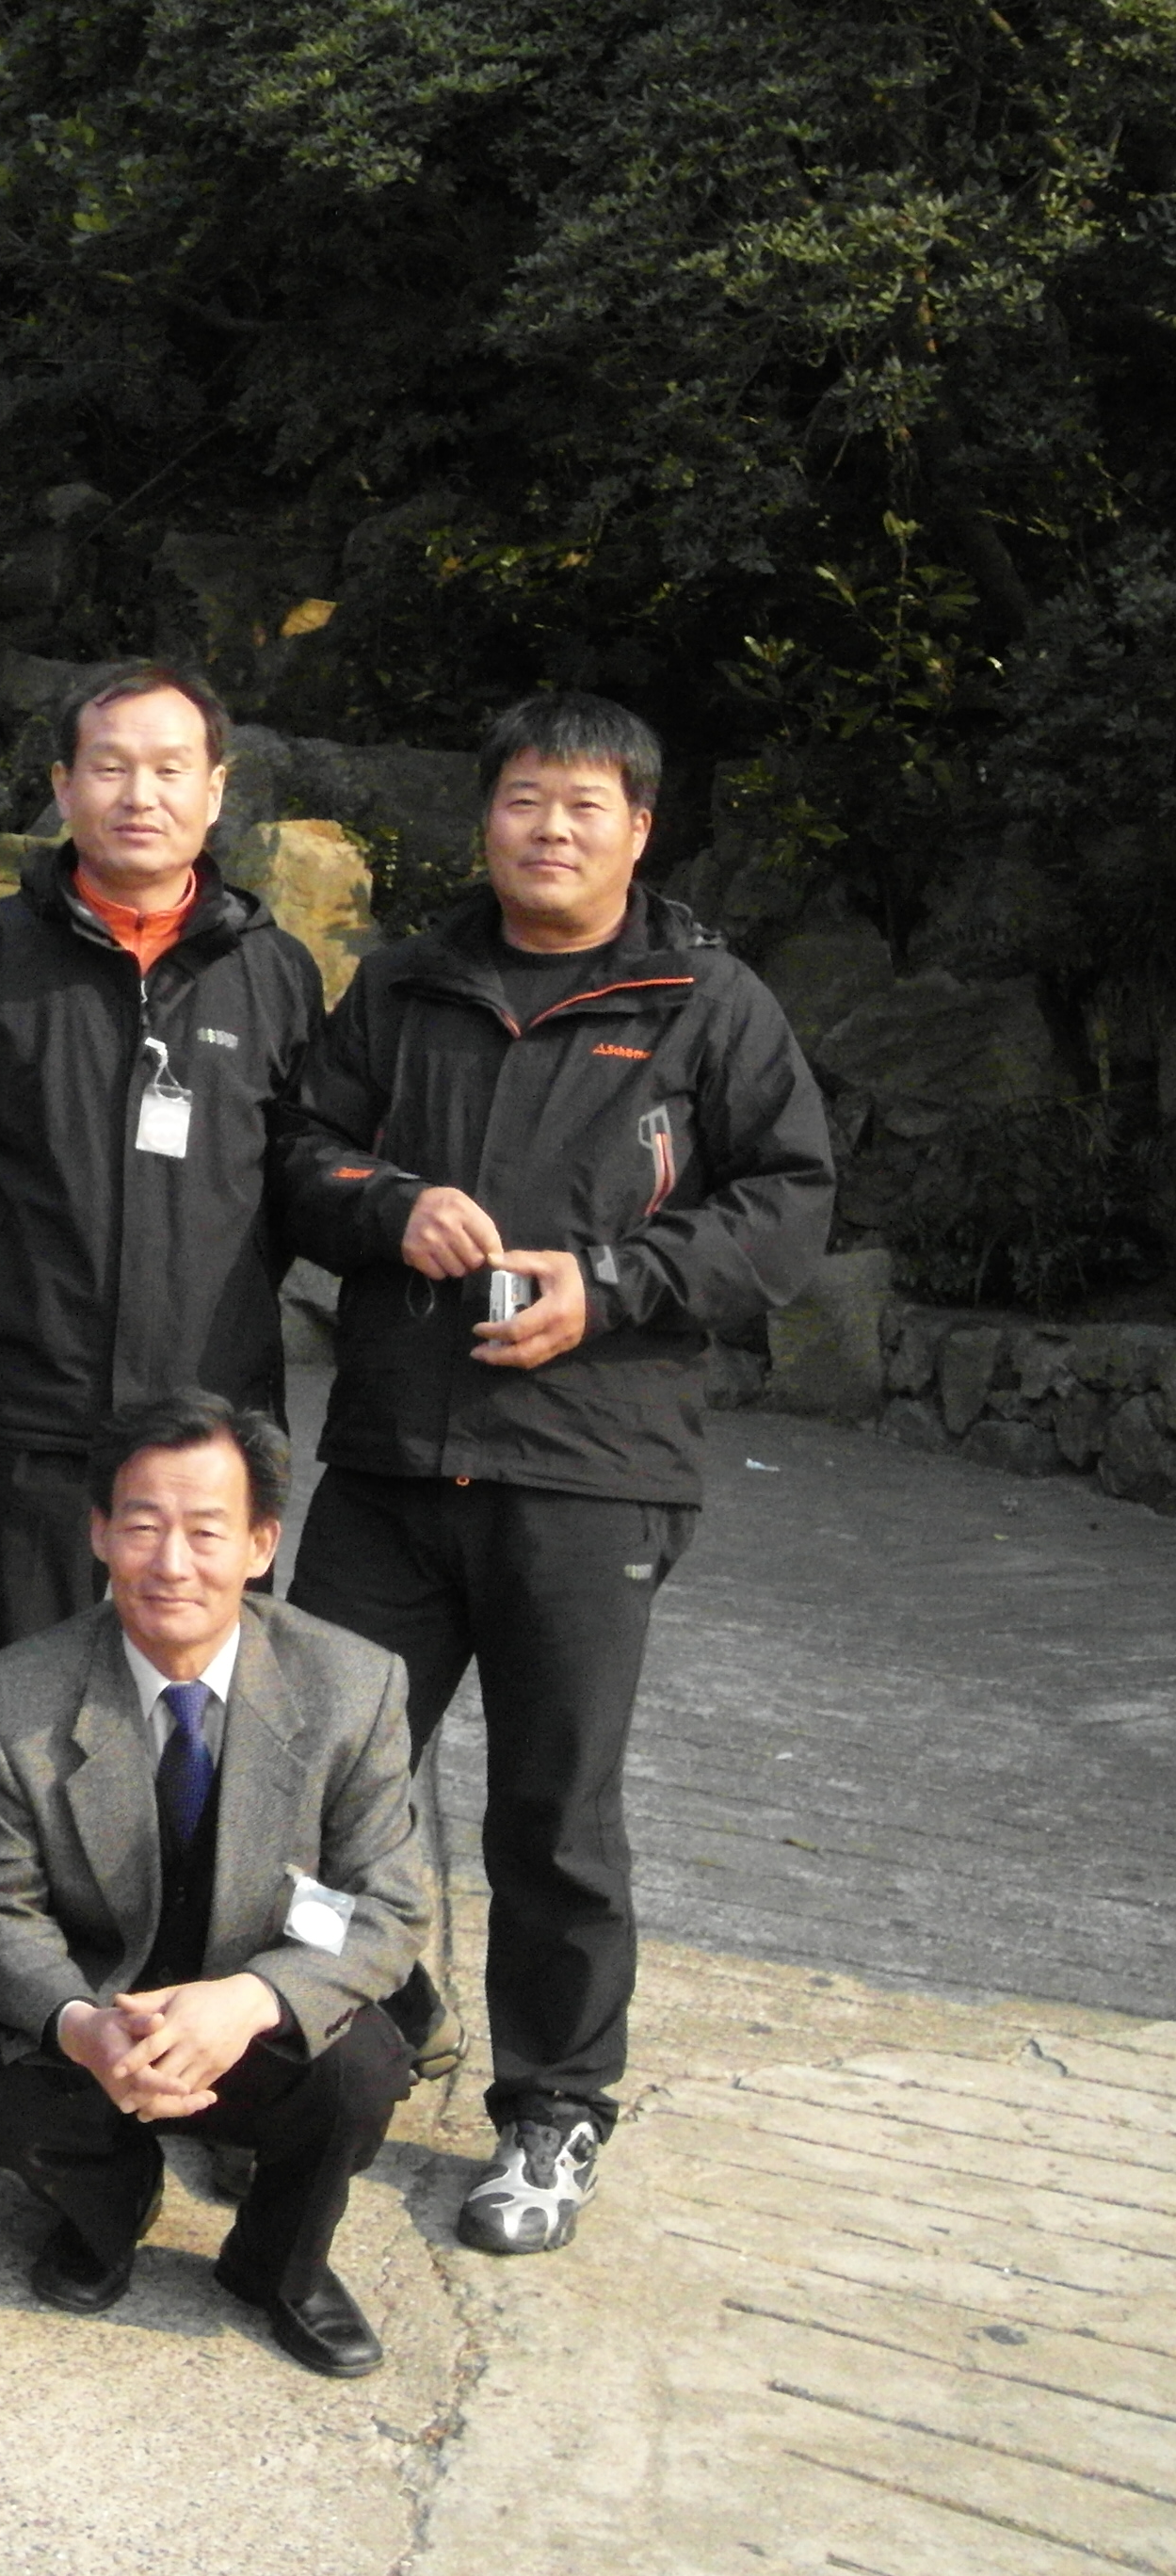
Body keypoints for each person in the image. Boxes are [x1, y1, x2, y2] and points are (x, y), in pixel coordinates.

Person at [274, 691, 832, 2259]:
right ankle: (310, 2055)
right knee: (315, 1778)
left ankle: (553, 2107)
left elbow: (789, 1205)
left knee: (552, 1811)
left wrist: (619, 1285)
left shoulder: (707, 1004)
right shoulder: (404, 984)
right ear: (487, 816)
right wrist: (386, 1205)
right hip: (391, 1460)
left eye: (585, 806)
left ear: (638, 828)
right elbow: (298, 1155)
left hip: (592, 1471)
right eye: (525, 799)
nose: (550, 829)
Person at [0, 1393, 430, 2377]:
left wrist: (251, 2000)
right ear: (98, 1533)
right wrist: (83, 2025)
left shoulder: (352, 1684)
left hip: (255, 2002)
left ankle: (278, 2265)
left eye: (206, 1531)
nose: (171, 1563)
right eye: (142, 1526)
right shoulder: (14, 1694)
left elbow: (390, 1905)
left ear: (259, 1544)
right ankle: (106, 2207)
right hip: (106, 2005)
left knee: (364, 2066)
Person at [0, 664, 324, 1664]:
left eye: (170, 769)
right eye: (110, 768)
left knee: (203, 1704)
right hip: (22, 1410)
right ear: (64, 787)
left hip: (213, 1418)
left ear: (215, 791)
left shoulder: (274, 972)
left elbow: (298, 1178)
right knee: (22, 1701)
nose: (140, 795)